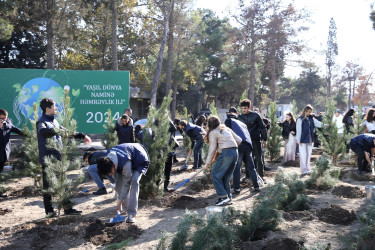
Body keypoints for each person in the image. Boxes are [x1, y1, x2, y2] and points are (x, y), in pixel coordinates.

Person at [37, 98, 91, 216]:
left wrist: (82, 136)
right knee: (48, 186)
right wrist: (56, 130)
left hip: (58, 157)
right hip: (48, 160)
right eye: (54, 106)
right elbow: (43, 132)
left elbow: (67, 131)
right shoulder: (42, 121)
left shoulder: (54, 121)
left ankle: (67, 209)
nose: (56, 108)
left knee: (63, 183)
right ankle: (49, 211)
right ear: (47, 109)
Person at [97, 143, 149, 223]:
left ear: (113, 165)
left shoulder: (125, 165)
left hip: (140, 158)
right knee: (118, 185)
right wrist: (117, 187)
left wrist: (120, 202)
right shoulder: (107, 159)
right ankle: (127, 207)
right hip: (127, 157)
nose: (110, 174)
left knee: (134, 181)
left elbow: (126, 184)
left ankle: (132, 214)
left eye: (110, 172)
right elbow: (117, 180)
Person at [201, 116, 241, 206]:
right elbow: (239, 140)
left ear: (209, 124)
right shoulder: (226, 129)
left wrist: (207, 163)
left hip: (226, 153)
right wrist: (229, 144)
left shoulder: (213, 132)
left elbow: (212, 149)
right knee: (225, 177)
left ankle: (223, 197)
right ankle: (228, 198)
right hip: (235, 152)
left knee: (215, 175)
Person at [225, 107, 259, 194]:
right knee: (251, 167)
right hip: (248, 145)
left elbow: (228, 134)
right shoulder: (241, 122)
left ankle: (236, 188)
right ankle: (256, 186)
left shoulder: (229, 121)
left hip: (239, 145)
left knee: (237, 167)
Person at [238, 99, 268, 183]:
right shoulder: (239, 117)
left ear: (249, 107)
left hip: (256, 140)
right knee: (248, 160)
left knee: (259, 159)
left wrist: (264, 139)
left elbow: (263, 127)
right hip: (246, 142)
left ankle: (261, 177)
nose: (244, 110)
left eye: (245, 108)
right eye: (242, 108)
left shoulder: (256, 116)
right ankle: (248, 177)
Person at [296, 104, 322, 176]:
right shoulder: (300, 119)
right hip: (302, 139)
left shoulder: (311, 118)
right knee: (303, 155)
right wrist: (298, 140)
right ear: (304, 111)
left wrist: (327, 125)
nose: (309, 113)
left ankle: (308, 169)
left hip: (310, 139)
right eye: (307, 111)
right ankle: (303, 170)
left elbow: (318, 124)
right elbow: (298, 130)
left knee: (308, 155)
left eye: (310, 112)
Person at [0, 109, 23, 173]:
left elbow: (17, 130)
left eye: (5, 118)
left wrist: (28, 134)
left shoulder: (8, 122)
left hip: (4, 152)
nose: (3, 120)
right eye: (1, 118)